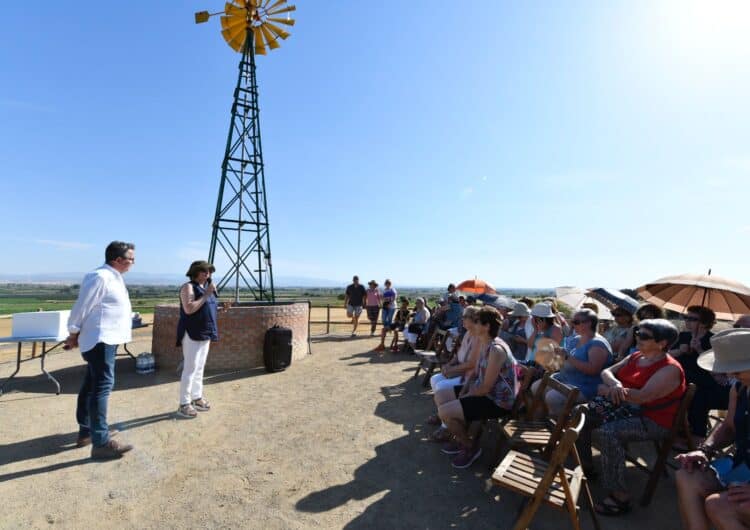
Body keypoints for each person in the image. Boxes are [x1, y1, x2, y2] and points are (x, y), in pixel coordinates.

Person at [584, 318, 685, 516]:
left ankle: (620, 496)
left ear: (662, 343)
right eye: (638, 333)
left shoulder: (670, 369)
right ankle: (587, 466)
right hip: (626, 408)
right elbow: (607, 371)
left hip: (653, 420)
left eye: (644, 336)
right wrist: (615, 385)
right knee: (580, 414)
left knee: (608, 433)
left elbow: (641, 397)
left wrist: (607, 390)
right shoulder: (637, 356)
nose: (637, 337)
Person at [65, 241, 136, 460]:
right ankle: (101, 442)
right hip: (101, 340)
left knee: (91, 384)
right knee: (101, 387)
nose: (133, 263)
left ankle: (87, 432)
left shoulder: (114, 277)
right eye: (130, 259)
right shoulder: (100, 277)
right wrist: (73, 332)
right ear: (117, 259)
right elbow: (82, 307)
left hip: (107, 339)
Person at [676, 327, 750, 530]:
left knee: (719, 506)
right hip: (743, 467)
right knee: (687, 475)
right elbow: (729, 427)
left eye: (737, 369)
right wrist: (704, 449)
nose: (730, 374)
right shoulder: (740, 388)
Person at [435, 306, 518, 469]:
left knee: (445, 412)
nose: (473, 323)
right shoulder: (485, 342)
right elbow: (476, 373)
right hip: (482, 392)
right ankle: (461, 437)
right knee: (440, 396)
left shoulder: (496, 349)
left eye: (477, 321)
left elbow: (486, 388)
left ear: (487, 326)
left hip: (497, 401)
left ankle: (469, 446)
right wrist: (465, 388)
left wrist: (465, 397)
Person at [532, 308, 613, 417]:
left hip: (585, 386)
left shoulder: (597, 344)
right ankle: (546, 417)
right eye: (572, 321)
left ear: (589, 323)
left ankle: (560, 425)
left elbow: (593, 370)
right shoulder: (576, 338)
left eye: (575, 322)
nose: (572, 324)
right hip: (566, 379)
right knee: (536, 387)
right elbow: (567, 357)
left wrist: (566, 357)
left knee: (552, 397)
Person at [670, 306, 728, 444]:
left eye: (692, 319)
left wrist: (700, 350)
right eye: (686, 317)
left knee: (697, 394)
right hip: (681, 378)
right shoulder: (683, 336)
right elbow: (666, 356)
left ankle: (697, 434)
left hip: (705, 382)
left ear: (704, 322)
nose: (687, 321)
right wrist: (680, 351)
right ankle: (672, 426)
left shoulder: (714, 341)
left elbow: (718, 369)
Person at [426, 306, 482, 442]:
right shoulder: (468, 333)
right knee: (434, 379)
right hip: (459, 370)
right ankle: (443, 414)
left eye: (464, 317)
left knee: (441, 386)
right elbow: (459, 354)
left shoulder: (479, 338)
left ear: (473, 320)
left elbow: (471, 364)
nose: (461, 319)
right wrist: (449, 364)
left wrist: (451, 370)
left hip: (468, 376)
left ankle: (446, 426)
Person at [175, 261, 219, 419]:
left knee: (200, 368)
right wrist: (207, 294)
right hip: (192, 332)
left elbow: (206, 308)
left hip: (205, 332)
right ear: (195, 272)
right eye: (204, 271)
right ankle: (184, 403)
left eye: (209, 272)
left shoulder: (206, 289)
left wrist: (220, 305)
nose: (208, 274)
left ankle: (196, 397)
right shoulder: (188, 287)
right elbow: (189, 308)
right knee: (190, 368)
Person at [374, 280, 397, 351]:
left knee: (390, 319)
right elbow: (382, 298)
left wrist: (390, 303)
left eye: (389, 283)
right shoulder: (384, 290)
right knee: (383, 319)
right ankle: (387, 329)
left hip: (392, 307)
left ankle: (387, 329)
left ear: (390, 284)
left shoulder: (392, 289)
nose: (387, 284)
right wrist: (380, 298)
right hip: (385, 306)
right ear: (385, 284)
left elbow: (394, 297)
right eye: (386, 283)